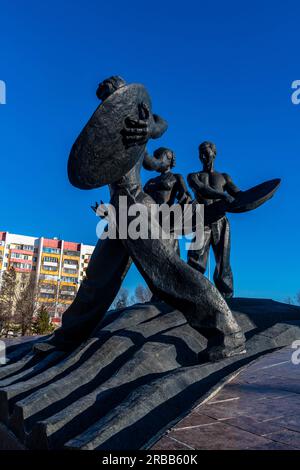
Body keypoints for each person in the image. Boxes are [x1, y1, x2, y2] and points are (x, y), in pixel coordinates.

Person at [34, 78, 245, 361]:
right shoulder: (116, 137)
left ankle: (227, 333)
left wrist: (149, 129)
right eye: (105, 102)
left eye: (111, 99)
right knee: (97, 278)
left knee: (166, 273)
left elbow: (161, 126)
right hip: (119, 213)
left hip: (136, 208)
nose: (107, 106)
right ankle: (68, 336)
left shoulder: (137, 128)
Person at [187, 141, 242, 299]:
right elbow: (202, 189)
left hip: (220, 222)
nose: (203, 155)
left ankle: (227, 298)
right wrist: (224, 195)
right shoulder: (194, 176)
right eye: (200, 153)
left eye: (206, 151)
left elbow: (238, 194)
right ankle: (191, 296)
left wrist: (256, 197)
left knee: (223, 263)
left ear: (214, 153)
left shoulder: (224, 177)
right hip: (201, 221)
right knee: (195, 260)